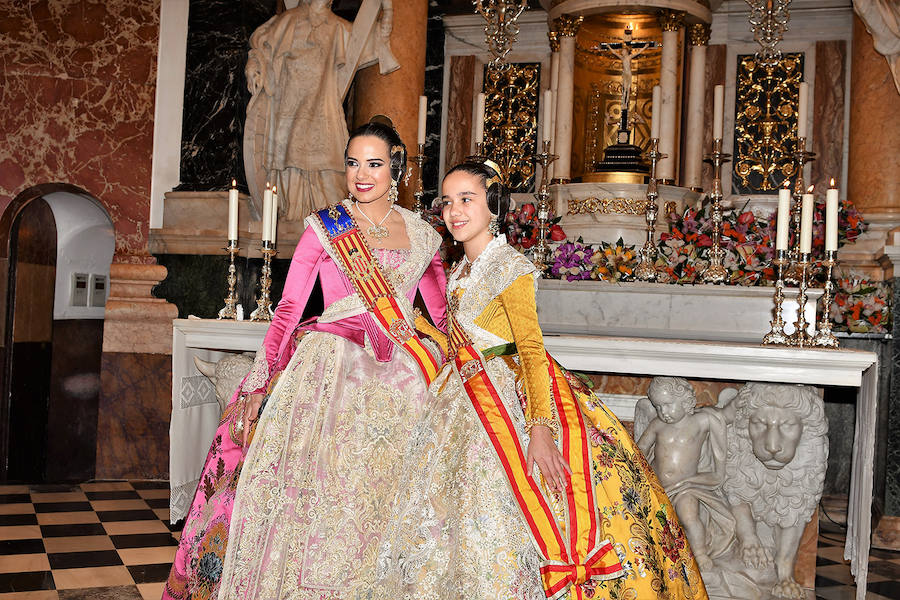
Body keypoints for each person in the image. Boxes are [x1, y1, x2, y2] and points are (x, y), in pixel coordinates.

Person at [364, 160, 709, 600]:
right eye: (447, 202)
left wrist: (540, 429)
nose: (454, 212)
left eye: (466, 199)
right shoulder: (460, 271)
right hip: (462, 397)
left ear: (493, 204)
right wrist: (416, 325)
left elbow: (529, 350)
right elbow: (462, 340)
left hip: (512, 399)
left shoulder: (511, 267)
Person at [163, 117, 447, 600]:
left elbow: (440, 317)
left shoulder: (424, 236)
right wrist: (258, 381)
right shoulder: (326, 227)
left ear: (396, 168)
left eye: (374, 164)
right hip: (329, 368)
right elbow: (289, 310)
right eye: (353, 163)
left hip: (401, 375)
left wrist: (459, 360)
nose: (362, 174)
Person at [638, 377, 734, 571]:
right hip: (658, 486)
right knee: (653, 523)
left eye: (667, 405)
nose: (663, 412)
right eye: (657, 407)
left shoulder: (702, 421)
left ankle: (699, 553)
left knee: (689, 518)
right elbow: (640, 449)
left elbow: (728, 414)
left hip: (687, 486)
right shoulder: (657, 424)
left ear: (686, 401)